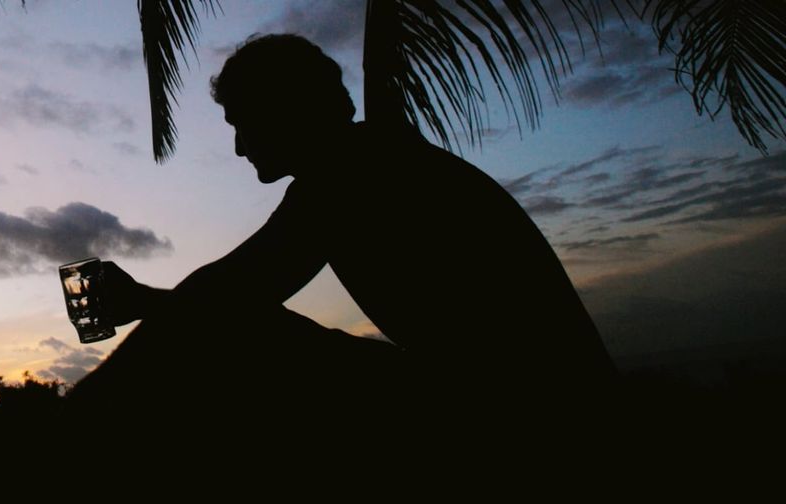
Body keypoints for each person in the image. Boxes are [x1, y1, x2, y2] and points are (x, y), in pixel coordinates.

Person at [66, 34, 618, 444]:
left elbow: (233, 295)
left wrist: (86, 397)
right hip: (516, 399)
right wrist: (150, 304)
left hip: (529, 414)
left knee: (245, 338)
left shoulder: (349, 172)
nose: (237, 147)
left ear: (284, 109)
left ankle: (62, 447)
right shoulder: (365, 160)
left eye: (243, 123)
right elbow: (230, 292)